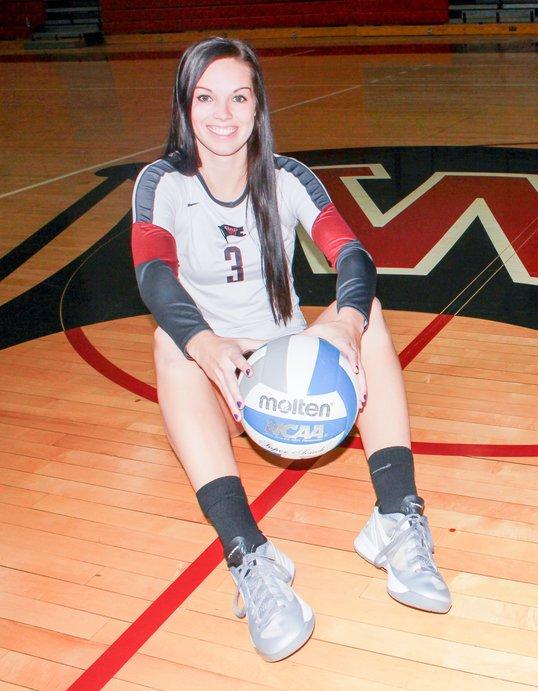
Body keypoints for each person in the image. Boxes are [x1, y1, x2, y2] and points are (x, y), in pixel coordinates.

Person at [130, 37, 451, 662]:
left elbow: (351, 253)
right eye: (206, 98)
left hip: (293, 370)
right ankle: (250, 555)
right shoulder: (162, 182)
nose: (223, 115)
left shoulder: (286, 177)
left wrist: (346, 324)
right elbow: (153, 274)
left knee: (370, 313)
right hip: (223, 376)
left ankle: (396, 518)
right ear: (185, 105)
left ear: (258, 107)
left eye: (238, 97)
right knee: (169, 343)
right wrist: (205, 342)